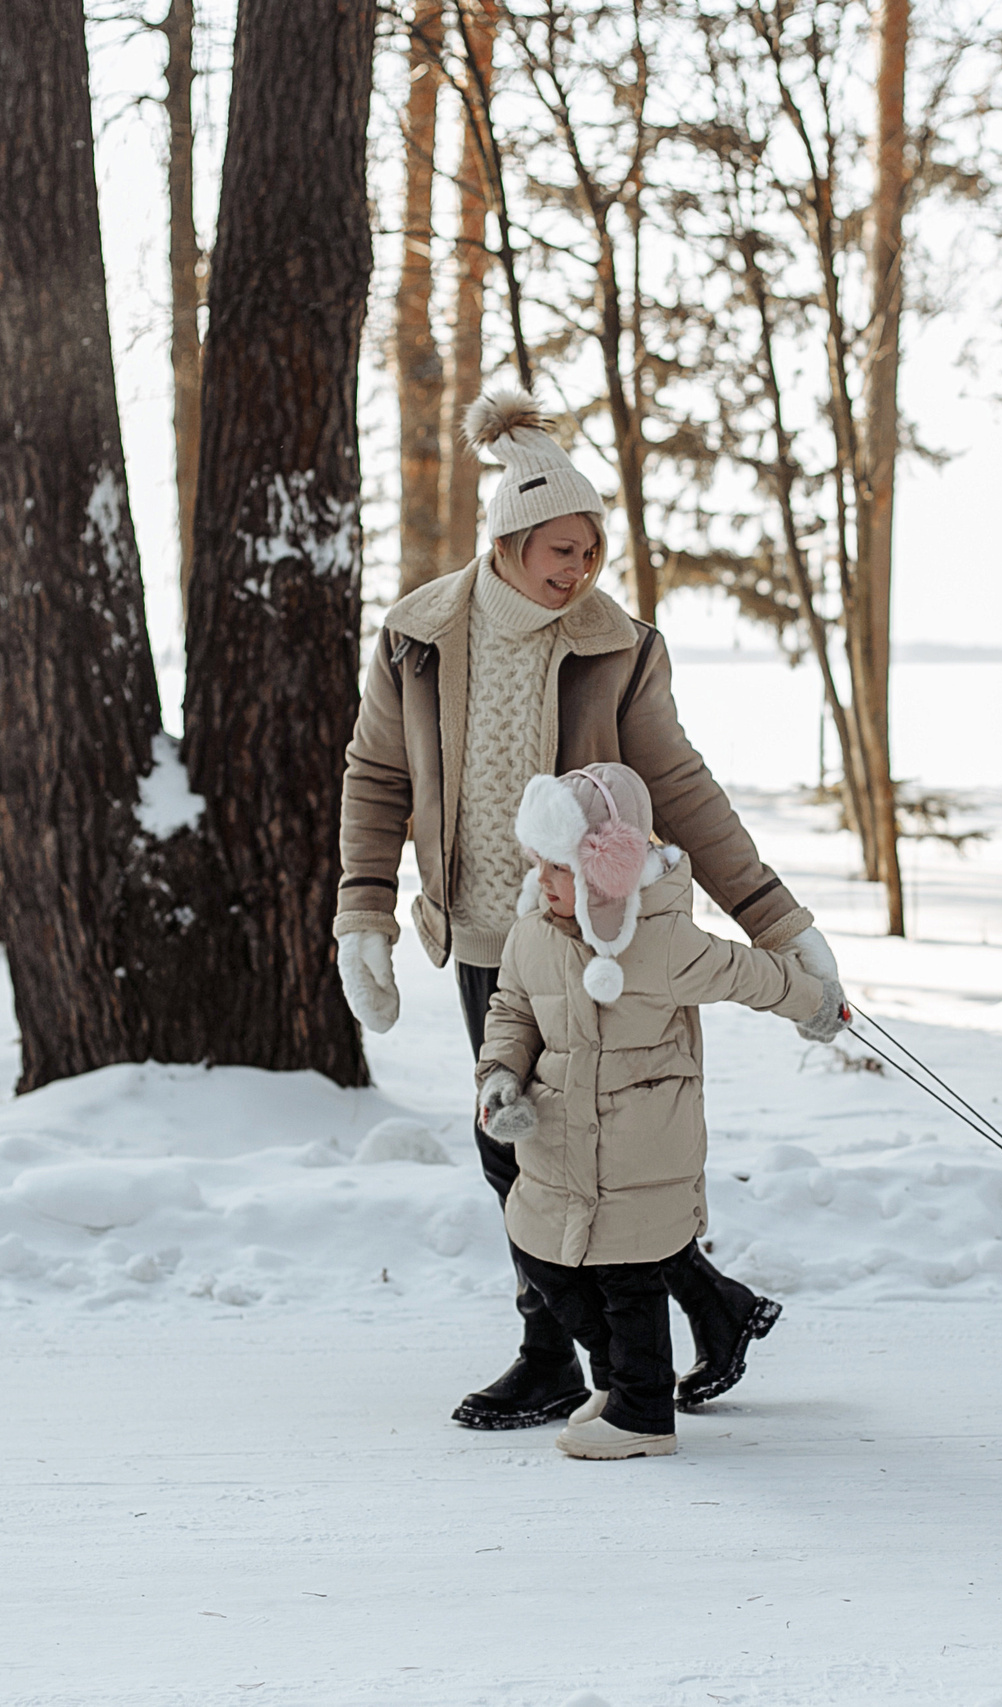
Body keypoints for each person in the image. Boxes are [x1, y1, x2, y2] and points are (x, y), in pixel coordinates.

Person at [334, 386, 839, 1431]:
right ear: (511, 542)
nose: (577, 573)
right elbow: (375, 776)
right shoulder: (418, 637)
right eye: (559, 550)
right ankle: (709, 1306)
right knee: (522, 1139)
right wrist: (364, 914)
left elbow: (685, 790)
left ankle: (557, 1354)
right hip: (488, 938)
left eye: (591, 553)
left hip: (602, 941)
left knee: (570, 1152)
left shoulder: (621, 646)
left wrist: (777, 923)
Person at [474, 765, 844, 1459]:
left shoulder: (664, 941)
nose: (544, 879)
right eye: (539, 863)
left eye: (560, 866)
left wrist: (816, 1002)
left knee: (627, 1278)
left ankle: (644, 1415)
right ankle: (613, 1385)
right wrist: (501, 1074)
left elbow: (750, 975)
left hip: (642, 1147)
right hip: (561, 1141)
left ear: (603, 867)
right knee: (540, 1249)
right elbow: (512, 1009)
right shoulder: (533, 935)